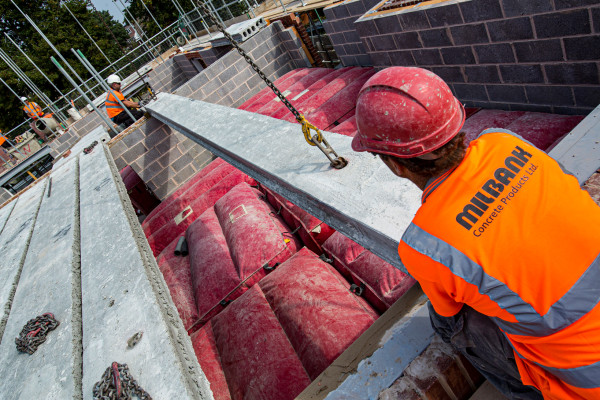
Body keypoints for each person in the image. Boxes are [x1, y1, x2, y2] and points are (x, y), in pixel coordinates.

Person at [351, 66, 600, 400]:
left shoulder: (423, 244)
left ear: (396, 164)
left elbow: (451, 314)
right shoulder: (505, 140)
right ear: (456, 121)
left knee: (446, 321)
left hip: (588, 383)